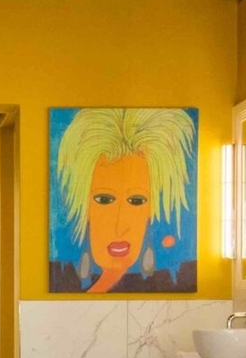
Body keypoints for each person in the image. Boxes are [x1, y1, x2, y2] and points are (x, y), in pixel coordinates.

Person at [51, 108, 196, 293]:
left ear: (150, 209)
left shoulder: (177, 275)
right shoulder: (60, 271)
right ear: (85, 206)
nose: (120, 226)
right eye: (103, 199)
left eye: (136, 201)